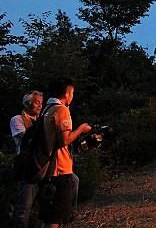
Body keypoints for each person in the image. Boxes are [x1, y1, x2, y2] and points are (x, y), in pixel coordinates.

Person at [40, 78, 92, 228]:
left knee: (51, 216)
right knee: (56, 217)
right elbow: (65, 140)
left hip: (49, 167)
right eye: (72, 93)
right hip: (59, 169)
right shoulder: (61, 109)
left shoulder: (47, 109)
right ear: (67, 92)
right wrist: (81, 129)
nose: (72, 96)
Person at [10, 90, 44, 228]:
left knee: (42, 208)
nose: (40, 106)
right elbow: (25, 139)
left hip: (41, 167)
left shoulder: (41, 121)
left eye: (41, 103)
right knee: (23, 209)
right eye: (37, 102)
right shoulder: (17, 119)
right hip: (26, 169)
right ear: (27, 104)